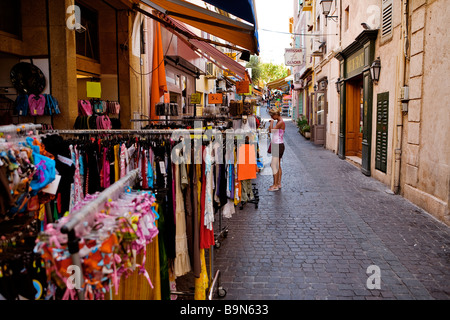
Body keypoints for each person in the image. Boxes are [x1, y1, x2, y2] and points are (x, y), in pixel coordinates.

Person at [268, 107, 285, 191]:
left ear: (276, 114)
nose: (271, 117)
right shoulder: (279, 121)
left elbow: (271, 131)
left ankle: (275, 185)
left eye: (272, 116)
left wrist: (271, 123)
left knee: (274, 165)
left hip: (277, 145)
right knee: (277, 165)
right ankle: (278, 183)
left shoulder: (280, 122)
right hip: (278, 144)